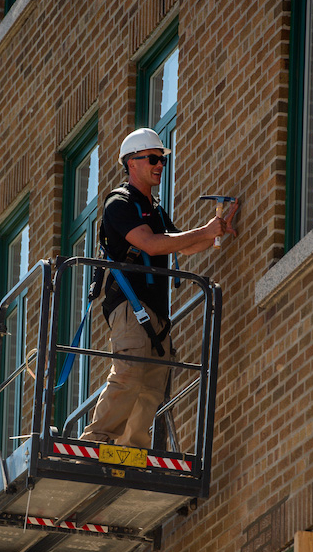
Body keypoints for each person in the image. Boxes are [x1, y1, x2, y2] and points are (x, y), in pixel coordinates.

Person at [79, 128, 238, 449]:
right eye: (152, 159)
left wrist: (213, 232)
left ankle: (132, 446)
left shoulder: (155, 210)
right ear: (131, 163)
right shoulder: (119, 203)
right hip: (129, 302)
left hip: (155, 309)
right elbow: (151, 244)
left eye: (162, 159)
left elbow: (182, 247)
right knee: (130, 371)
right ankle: (95, 440)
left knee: (153, 382)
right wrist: (204, 230)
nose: (159, 165)